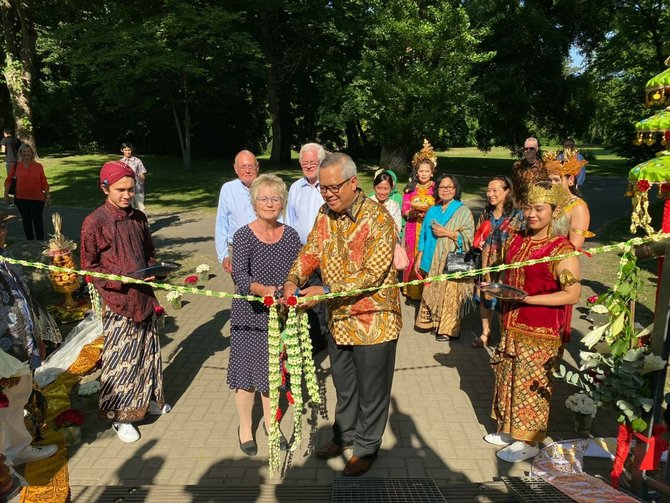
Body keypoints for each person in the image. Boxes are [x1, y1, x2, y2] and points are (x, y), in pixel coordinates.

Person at [283, 153, 401, 477]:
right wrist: (294, 278)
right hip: (339, 320)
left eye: (335, 188)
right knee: (345, 386)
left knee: (372, 390)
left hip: (374, 320)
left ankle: (366, 447)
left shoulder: (378, 219)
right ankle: (344, 435)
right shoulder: (324, 214)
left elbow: (372, 274)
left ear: (353, 183)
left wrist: (324, 291)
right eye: (324, 188)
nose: (329, 194)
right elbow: (311, 250)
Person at [485, 181, 580, 463]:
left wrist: (527, 300)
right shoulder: (518, 239)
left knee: (531, 387)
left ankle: (529, 441)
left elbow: (572, 293)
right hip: (512, 324)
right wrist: (494, 288)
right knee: (508, 378)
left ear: (553, 211)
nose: (532, 214)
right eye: (528, 208)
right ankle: (508, 429)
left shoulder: (561, 249)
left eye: (539, 209)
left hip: (540, 330)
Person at [80, 161, 170, 443]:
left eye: (131, 190)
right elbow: (88, 268)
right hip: (118, 303)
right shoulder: (94, 222)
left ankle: (148, 401)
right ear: (104, 188)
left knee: (148, 355)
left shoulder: (139, 218)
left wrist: (154, 272)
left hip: (143, 299)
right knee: (123, 361)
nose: (127, 195)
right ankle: (120, 417)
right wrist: (120, 279)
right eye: (121, 190)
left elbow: (149, 253)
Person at [228, 174, 301, 456]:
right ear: (254, 202)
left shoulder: (291, 235)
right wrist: (263, 290)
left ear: (282, 203)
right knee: (246, 376)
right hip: (250, 315)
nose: (269, 203)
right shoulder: (244, 235)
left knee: (273, 374)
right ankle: (245, 428)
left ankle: (272, 425)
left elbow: (298, 270)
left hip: (279, 316)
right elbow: (240, 276)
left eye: (275, 198)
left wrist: (292, 293)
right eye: (263, 198)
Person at [0, 214, 58, 467]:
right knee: (4, 408)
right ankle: (5, 461)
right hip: (4, 355)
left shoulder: (6, 261)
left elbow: (23, 302)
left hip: (21, 348)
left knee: (17, 402)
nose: (2, 231)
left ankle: (18, 450)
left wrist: (36, 338)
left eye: (2, 225)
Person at [414, 174, 475, 342]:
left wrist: (447, 233)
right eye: (442, 187)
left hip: (452, 260)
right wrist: (419, 257)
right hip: (431, 258)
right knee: (432, 289)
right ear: (437, 190)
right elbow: (424, 236)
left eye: (449, 187)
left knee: (450, 293)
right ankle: (430, 322)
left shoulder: (462, 211)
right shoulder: (432, 210)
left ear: (455, 190)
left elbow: (469, 236)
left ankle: (448, 329)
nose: (446, 190)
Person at [472, 176, 525, 348]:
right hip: (485, 264)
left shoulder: (517, 216)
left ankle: (504, 336)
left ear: (507, 191)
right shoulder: (486, 213)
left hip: (505, 265)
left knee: (503, 302)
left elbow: (522, 241)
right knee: (483, 299)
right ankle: (485, 333)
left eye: (495, 190)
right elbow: (478, 234)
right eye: (488, 190)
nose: (490, 194)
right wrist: (478, 243)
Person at [286, 143, 328, 352]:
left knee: (330, 292)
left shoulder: (329, 186)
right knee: (310, 296)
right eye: (305, 162)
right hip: (304, 252)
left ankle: (333, 337)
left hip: (328, 252)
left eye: (313, 162)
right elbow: (290, 221)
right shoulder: (295, 188)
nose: (309, 166)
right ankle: (317, 340)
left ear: (321, 163)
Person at [402, 140, 436, 300]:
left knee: (428, 255)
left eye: (426, 171)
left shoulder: (436, 189)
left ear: (432, 172)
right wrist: (414, 213)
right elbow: (404, 210)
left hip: (430, 228)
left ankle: (427, 291)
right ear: (416, 172)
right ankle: (412, 290)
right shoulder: (410, 189)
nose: (423, 174)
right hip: (413, 226)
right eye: (420, 171)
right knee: (412, 257)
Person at [215, 150, 259, 273]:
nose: (247, 171)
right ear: (235, 169)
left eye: (250, 166)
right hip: (237, 250)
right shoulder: (228, 189)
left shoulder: (266, 187)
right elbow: (221, 224)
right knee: (241, 290)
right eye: (243, 167)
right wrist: (223, 255)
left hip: (264, 250)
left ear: (257, 167)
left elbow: (278, 219)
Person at [3, 144, 50, 240]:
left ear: (32, 153)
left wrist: (48, 196)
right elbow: (8, 181)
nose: (26, 153)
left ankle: (40, 242)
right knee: (26, 220)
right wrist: (6, 195)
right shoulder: (16, 166)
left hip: (37, 198)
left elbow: (44, 182)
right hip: (21, 198)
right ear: (20, 153)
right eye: (24, 151)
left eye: (28, 151)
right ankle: (30, 242)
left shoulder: (38, 166)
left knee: (38, 220)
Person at [545, 150, 591, 250]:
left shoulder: (578, 207)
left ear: (570, 180)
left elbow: (575, 246)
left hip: (562, 262)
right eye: (550, 180)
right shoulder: (549, 202)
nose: (552, 184)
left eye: (557, 180)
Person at [511, 137, 547, 207]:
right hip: (520, 206)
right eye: (525, 148)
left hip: (538, 206)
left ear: (537, 149)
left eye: (531, 148)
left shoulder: (544, 166)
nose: (528, 150)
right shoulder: (517, 166)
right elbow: (514, 187)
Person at [370, 169, 402, 235]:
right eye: (379, 188)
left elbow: (397, 230)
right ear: (374, 187)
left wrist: (386, 214)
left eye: (386, 189)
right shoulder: (368, 203)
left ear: (391, 189)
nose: (382, 192)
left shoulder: (394, 205)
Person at [119, 142, 147, 214]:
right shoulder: (120, 163)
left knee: (141, 208)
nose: (128, 152)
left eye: (129, 150)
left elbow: (142, 174)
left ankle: (145, 224)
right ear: (122, 150)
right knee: (130, 208)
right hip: (127, 190)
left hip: (138, 188)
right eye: (126, 150)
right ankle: (134, 225)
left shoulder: (137, 161)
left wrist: (141, 184)